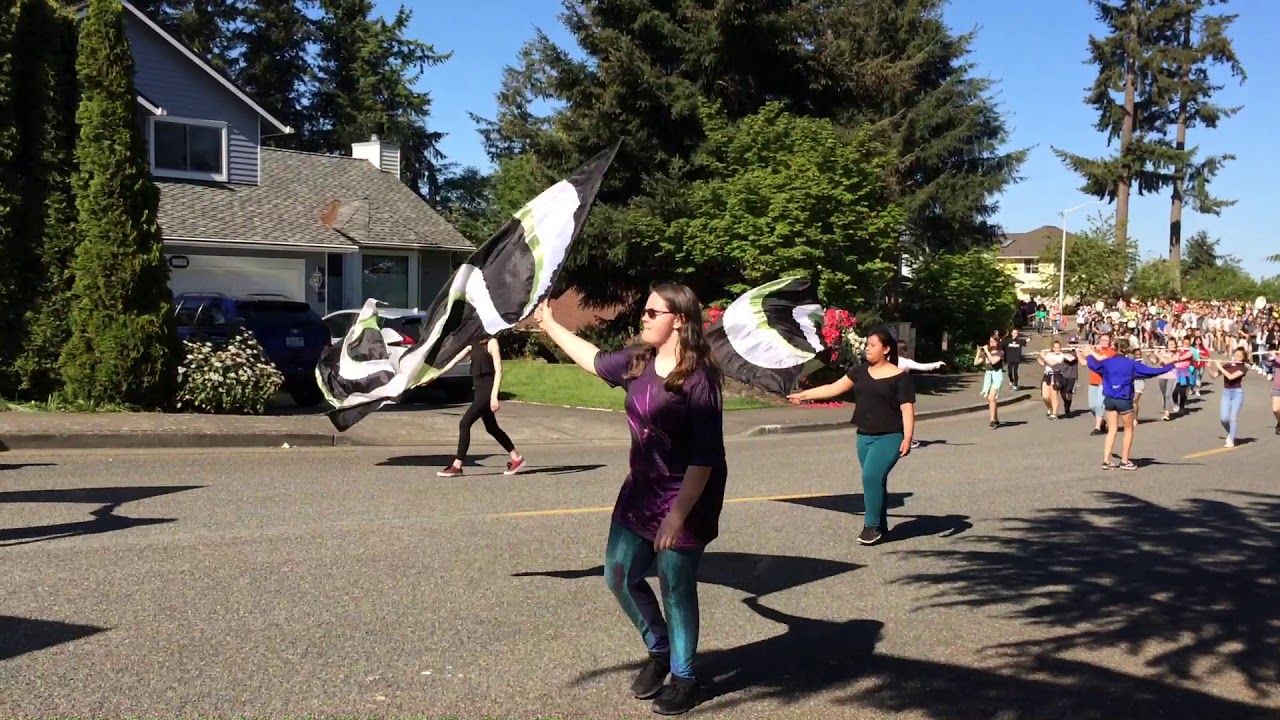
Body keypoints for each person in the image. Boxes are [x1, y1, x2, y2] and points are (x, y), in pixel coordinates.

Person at [534, 283, 727, 715]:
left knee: (676, 587)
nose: (644, 316)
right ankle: (659, 649)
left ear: (679, 320)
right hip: (641, 490)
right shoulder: (639, 361)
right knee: (618, 576)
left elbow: (706, 457)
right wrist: (550, 324)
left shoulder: (699, 379)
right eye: (645, 310)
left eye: (653, 312)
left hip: (686, 496)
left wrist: (677, 517)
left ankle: (684, 678)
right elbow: (592, 359)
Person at [789, 329, 915, 546]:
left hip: (890, 437)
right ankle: (881, 526)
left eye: (873, 345)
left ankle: (871, 526)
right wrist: (804, 395)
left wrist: (908, 438)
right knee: (876, 480)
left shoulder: (899, 377)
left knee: (871, 477)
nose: (867, 348)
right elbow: (833, 388)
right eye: (867, 345)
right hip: (864, 437)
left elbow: (907, 409)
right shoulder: (859, 371)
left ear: (886, 349)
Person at [437, 336, 526, 478]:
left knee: (465, 423)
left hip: (487, 391)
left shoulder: (492, 342)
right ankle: (516, 458)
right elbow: (454, 361)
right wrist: (436, 375)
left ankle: (457, 465)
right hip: (478, 391)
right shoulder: (472, 343)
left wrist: (494, 396)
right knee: (492, 428)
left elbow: (499, 370)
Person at [1082, 343, 1174, 471]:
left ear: (1114, 349)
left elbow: (1093, 366)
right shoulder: (1131, 364)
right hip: (1124, 399)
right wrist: (1171, 366)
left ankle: (1106, 460)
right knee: (1128, 429)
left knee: (1112, 430)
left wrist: (1089, 355)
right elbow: (1152, 372)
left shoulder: (1107, 362)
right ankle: (1124, 461)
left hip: (1109, 399)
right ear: (1128, 351)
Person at [896, 340, 944, 449]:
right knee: (905, 416)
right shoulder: (905, 362)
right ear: (904, 350)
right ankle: (906, 440)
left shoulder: (888, 360)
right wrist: (937, 364)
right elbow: (922, 366)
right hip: (902, 391)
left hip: (889, 390)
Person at [1209, 348, 1249, 448]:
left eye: (1240, 356)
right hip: (1226, 393)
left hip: (1237, 393)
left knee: (1233, 417)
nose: (1237, 357)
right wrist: (1209, 367)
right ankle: (1232, 433)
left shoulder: (1243, 368)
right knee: (1224, 418)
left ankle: (1231, 439)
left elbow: (1231, 377)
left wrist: (1219, 366)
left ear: (1243, 358)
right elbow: (1214, 376)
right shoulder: (1227, 365)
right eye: (1236, 355)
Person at [1086, 333, 1117, 436]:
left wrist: (1090, 351)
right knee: (1092, 406)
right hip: (1093, 381)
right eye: (1102, 340)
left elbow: (1100, 359)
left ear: (1110, 342)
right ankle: (1102, 421)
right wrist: (1082, 351)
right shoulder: (1096, 351)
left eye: (1106, 340)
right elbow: (1085, 361)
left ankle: (1097, 427)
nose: (1103, 342)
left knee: (1099, 404)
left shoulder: (1111, 352)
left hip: (1104, 381)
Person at [975, 337, 1004, 429]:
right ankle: (996, 419)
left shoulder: (1000, 352)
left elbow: (993, 361)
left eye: (994, 341)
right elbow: (976, 363)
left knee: (992, 398)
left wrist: (987, 351)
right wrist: (979, 352)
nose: (992, 343)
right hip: (988, 376)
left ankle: (992, 421)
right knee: (990, 399)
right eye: (990, 341)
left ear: (998, 342)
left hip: (997, 375)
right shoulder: (987, 353)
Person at [1035, 341, 1068, 419]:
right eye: (1055, 348)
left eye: (1058, 348)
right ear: (1052, 348)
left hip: (1056, 375)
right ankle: (1050, 408)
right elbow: (1043, 364)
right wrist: (1037, 357)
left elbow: (1052, 364)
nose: (1057, 349)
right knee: (1045, 396)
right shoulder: (1049, 354)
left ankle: (1054, 413)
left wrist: (1044, 357)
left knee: (1054, 395)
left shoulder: (1061, 356)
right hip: (1047, 375)